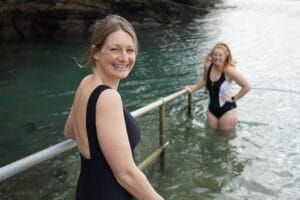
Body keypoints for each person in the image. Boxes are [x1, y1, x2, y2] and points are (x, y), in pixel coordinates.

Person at [64, 15, 164, 200]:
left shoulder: (86, 83)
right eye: (114, 49)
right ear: (96, 52)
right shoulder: (108, 98)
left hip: (87, 190)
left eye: (130, 50)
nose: (124, 58)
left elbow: (71, 131)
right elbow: (125, 174)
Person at [185, 42, 251, 131]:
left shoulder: (229, 70)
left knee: (224, 142)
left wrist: (233, 98)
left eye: (220, 55)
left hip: (227, 111)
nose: (217, 58)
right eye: (215, 55)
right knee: (212, 139)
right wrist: (193, 90)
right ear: (212, 55)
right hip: (211, 110)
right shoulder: (208, 66)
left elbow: (247, 86)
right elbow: (204, 80)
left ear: (226, 56)